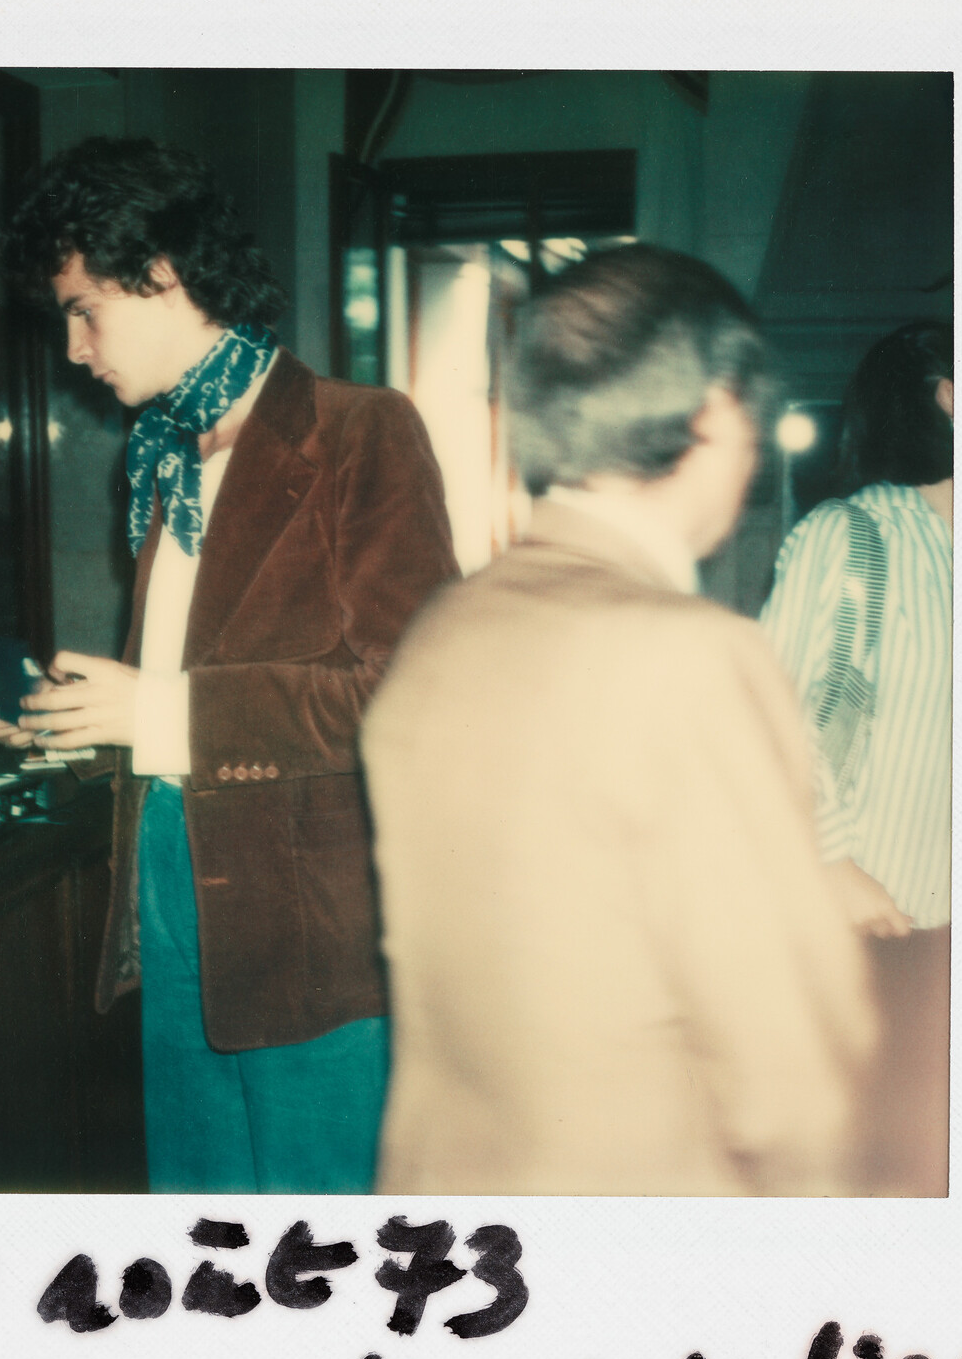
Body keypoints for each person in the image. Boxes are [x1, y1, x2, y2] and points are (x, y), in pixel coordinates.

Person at [0, 137, 457, 1194]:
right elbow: (167, 711)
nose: (74, 348)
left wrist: (154, 711)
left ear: (164, 276)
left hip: (314, 926)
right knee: (202, 1227)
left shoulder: (362, 433)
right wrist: (67, 722)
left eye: (84, 308)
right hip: (169, 883)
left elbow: (407, 700)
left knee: (325, 1244)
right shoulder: (161, 460)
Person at [361, 244, 877, 1197]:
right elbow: (787, 1074)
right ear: (718, 410)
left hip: (454, 1231)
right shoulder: (690, 657)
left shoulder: (442, 627)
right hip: (645, 1248)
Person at [760, 321, 953, 1195]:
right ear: (943, 399)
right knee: (881, 1184)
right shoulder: (854, 538)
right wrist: (832, 859)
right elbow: (774, 719)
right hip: (882, 929)